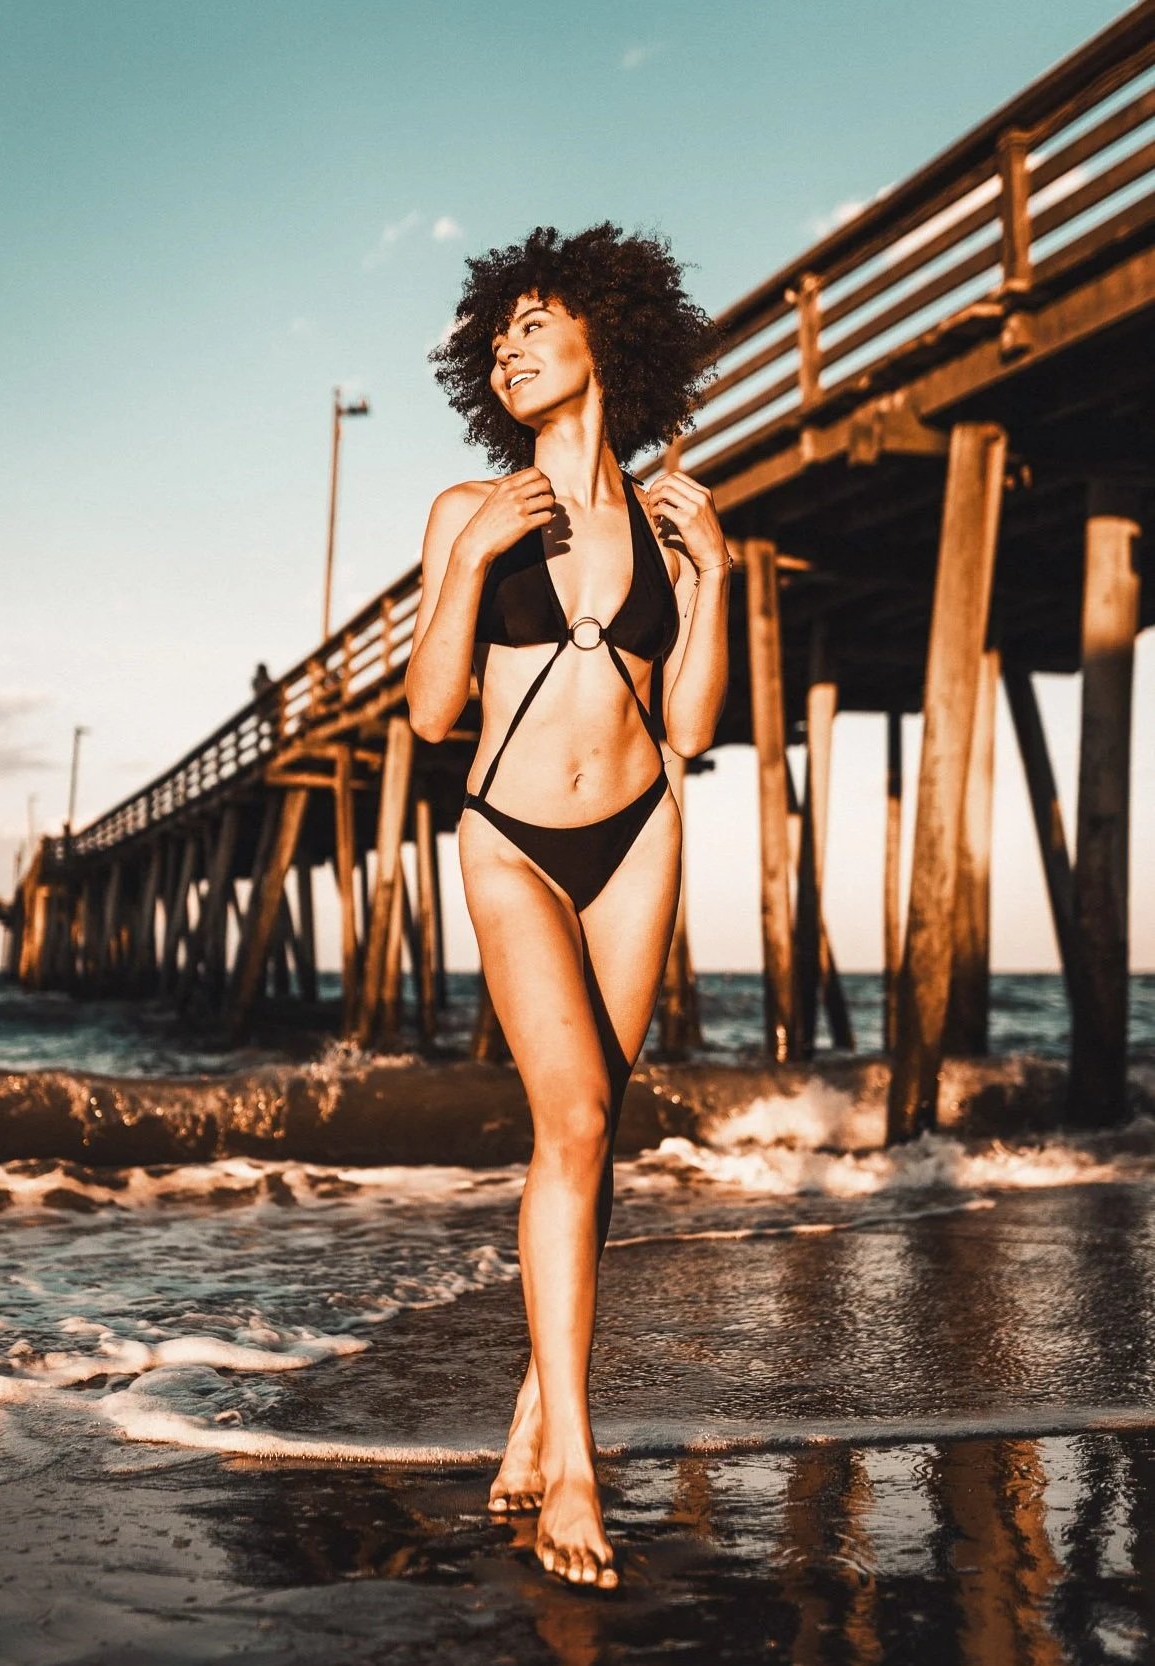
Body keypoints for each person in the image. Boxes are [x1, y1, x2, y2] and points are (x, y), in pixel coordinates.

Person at [405, 223, 732, 1589]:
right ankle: (578, 1469)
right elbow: (429, 711)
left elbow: (692, 723)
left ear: (610, 334)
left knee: (594, 1133)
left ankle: (537, 1411)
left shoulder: (668, 511)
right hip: (511, 839)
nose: (512, 344)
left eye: (537, 322)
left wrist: (712, 580)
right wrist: (478, 557)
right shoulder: (462, 509)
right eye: (499, 335)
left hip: (641, 829)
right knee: (576, 1116)